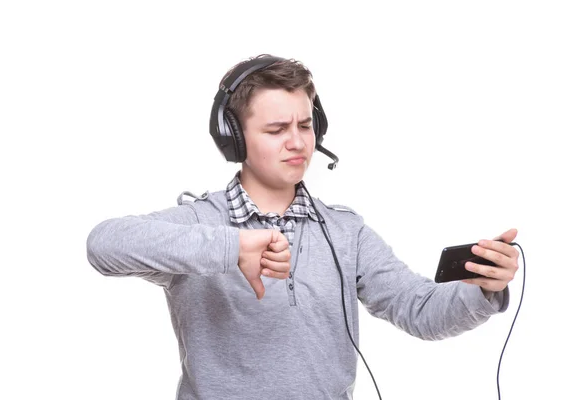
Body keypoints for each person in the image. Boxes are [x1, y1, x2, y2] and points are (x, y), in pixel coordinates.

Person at [86, 54, 519, 400]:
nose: (297, 142)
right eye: (276, 129)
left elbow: (419, 311)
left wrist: (481, 288)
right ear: (233, 138)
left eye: (306, 125)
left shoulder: (345, 232)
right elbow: (104, 244)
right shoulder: (201, 224)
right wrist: (234, 245)